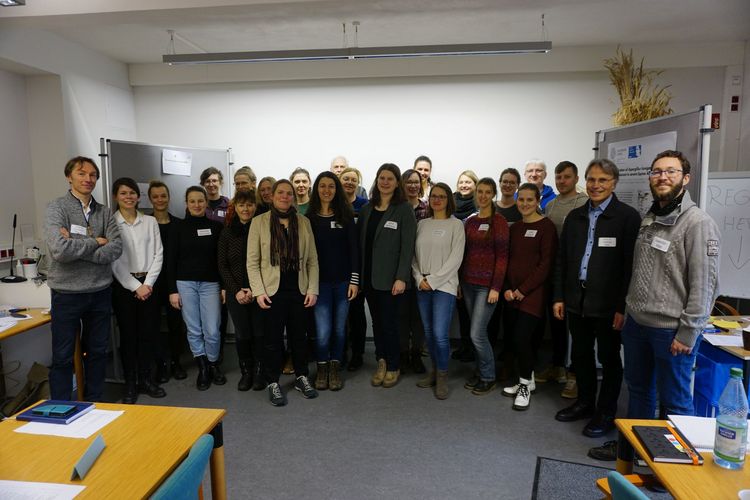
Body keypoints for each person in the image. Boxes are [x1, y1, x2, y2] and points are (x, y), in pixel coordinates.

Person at [589, 150, 721, 461]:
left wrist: (688, 333)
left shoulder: (697, 223)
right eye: (657, 171)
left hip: (671, 331)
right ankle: (635, 452)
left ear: (685, 179)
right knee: (639, 392)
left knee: (675, 402)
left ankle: (674, 466)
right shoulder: (649, 217)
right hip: (637, 325)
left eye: (671, 172)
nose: (663, 177)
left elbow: (706, 286)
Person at [553, 159, 640, 438]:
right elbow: (562, 261)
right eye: (591, 179)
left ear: (614, 183)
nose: (596, 185)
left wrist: (622, 306)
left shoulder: (627, 217)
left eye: (602, 180)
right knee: (580, 355)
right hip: (576, 300)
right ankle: (585, 402)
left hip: (608, 305)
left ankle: (605, 411)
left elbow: (631, 267)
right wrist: (559, 297)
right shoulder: (576, 217)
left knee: (609, 358)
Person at [45, 156, 123, 401]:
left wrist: (75, 245)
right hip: (66, 295)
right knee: (62, 356)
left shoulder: (105, 212)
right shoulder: (56, 208)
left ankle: (95, 403)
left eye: (92, 175)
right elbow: (59, 250)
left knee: (98, 352)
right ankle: (60, 406)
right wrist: (95, 242)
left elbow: (116, 249)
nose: (88, 179)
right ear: (69, 177)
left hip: (100, 293)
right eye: (81, 173)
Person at [247, 179, 320, 406]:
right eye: (281, 192)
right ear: (273, 195)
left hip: (299, 289)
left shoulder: (304, 222)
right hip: (271, 291)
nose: (285, 196)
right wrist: (258, 291)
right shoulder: (259, 222)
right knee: (272, 340)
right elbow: (252, 261)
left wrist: (312, 289)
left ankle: (301, 377)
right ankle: (272, 381)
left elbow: (312, 261)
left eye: (289, 193)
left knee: (300, 337)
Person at [359, 163, 417, 388]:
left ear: (396, 183)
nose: (385, 182)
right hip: (369, 278)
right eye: (381, 178)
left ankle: (394, 365)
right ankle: (381, 361)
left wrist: (401, 277)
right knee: (377, 323)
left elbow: (408, 246)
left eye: (390, 178)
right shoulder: (366, 209)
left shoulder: (403, 209)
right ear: (377, 180)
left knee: (390, 323)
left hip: (392, 280)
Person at [501, 183, 557, 410]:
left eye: (529, 200)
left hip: (532, 294)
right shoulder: (514, 228)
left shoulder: (547, 227)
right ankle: (527, 379)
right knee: (514, 339)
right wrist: (506, 287)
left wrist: (522, 290)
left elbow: (545, 265)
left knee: (523, 339)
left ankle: (524, 386)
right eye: (521, 199)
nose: (524, 204)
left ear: (538, 200)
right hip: (511, 293)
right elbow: (505, 260)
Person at [110, 177, 166, 404]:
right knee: (129, 337)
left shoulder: (150, 222)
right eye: (123, 193)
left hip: (149, 286)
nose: (129, 197)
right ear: (116, 197)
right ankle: (130, 383)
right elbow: (114, 260)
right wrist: (135, 286)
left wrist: (148, 284)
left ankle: (145, 379)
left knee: (147, 334)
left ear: (138, 196)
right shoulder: (111, 223)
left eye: (132, 193)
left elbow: (158, 254)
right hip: (125, 288)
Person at [536, 161, 589, 397]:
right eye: (558, 177)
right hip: (554, 271)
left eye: (566, 177)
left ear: (576, 178)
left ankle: (575, 375)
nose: (561, 181)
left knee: (576, 329)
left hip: (577, 274)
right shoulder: (551, 205)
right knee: (556, 323)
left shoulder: (585, 203)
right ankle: (557, 367)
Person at [168, 186, 226, 391]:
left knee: (212, 329)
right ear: (186, 203)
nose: (197, 205)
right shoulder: (178, 228)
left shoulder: (216, 227)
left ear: (206, 203)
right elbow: (171, 260)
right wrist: (172, 290)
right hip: (185, 284)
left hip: (210, 283)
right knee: (193, 329)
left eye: (200, 201)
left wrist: (224, 285)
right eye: (192, 201)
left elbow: (221, 260)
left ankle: (213, 363)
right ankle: (202, 366)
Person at [412, 183, 465, 399]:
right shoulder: (422, 224)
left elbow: (456, 259)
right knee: (429, 333)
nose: (437, 200)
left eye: (442, 196)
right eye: (433, 196)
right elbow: (413, 255)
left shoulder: (456, 225)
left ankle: (442, 376)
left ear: (448, 200)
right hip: (422, 284)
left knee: (441, 335)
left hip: (444, 285)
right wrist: (418, 278)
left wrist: (433, 281)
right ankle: (434, 371)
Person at [308, 172, 359, 391]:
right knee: (322, 331)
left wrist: (354, 281)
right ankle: (322, 367)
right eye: (322, 186)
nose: (327, 190)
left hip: (343, 283)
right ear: (316, 189)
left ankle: (335, 367)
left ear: (336, 189)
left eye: (331, 186)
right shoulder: (308, 219)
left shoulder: (345, 216)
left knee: (339, 329)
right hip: (319, 285)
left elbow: (354, 251)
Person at [461, 178, 509, 396]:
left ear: (493, 194)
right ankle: (481, 371)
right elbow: (464, 254)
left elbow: (502, 258)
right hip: (468, 284)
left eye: (487, 192)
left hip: (487, 287)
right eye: (479, 191)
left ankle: (488, 376)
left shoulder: (498, 221)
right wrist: (460, 282)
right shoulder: (469, 222)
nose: (482, 196)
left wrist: (496, 288)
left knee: (477, 334)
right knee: (476, 332)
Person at [218, 189, 262, 391]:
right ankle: (247, 372)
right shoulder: (227, 231)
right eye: (242, 205)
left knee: (259, 333)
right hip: (236, 292)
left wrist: (255, 289)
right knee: (242, 333)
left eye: (250, 204)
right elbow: (222, 265)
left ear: (255, 206)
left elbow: (267, 263)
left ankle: (260, 372)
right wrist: (236, 290)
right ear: (235, 207)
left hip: (259, 291)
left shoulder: (263, 229)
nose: (246, 208)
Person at [148, 181, 187, 382]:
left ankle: (176, 362)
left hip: (174, 283)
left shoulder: (179, 224)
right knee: (154, 325)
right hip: (151, 283)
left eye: (163, 196)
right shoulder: (145, 223)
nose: (160, 200)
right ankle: (160, 364)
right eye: (155, 196)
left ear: (168, 197)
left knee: (175, 325)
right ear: (150, 199)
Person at [399, 168, 429, 374]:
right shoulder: (397, 208)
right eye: (408, 182)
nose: (412, 185)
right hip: (400, 270)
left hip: (422, 270)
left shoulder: (428, 209)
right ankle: (402, 354)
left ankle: (417, 354)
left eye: (416, 182)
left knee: (418, 317)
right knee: (401, 316)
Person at [452, 169, 479, 363]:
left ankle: (474, 348)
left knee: (473, 311)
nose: (464, 185)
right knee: (461, 309)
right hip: (454, 264)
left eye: (468, 182)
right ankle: (464, 344)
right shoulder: (450, 203)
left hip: (472, 262)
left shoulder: (480, 205)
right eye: (461, 182)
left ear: (475, 185)